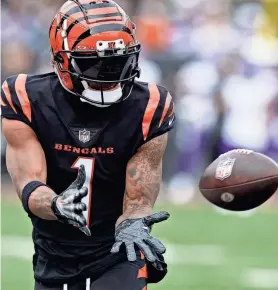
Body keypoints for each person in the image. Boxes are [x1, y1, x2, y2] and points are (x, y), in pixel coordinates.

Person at [1, 0, 176, 289]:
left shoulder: (149, 106)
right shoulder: (25, 98)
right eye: (93, 63)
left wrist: (135, 223)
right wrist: (57, 204)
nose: (108, 75)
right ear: (60, 59)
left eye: (118, 61)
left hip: (118, 251)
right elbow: (28, 182)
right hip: (53, 255)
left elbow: (138, 196)